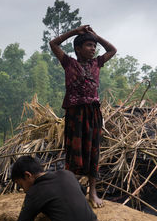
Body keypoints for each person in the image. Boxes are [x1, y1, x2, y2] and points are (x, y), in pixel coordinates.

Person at [49, 25, 117, 208]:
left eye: (94, 46)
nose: (93, 49)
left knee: (93, 150)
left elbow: (113, 50)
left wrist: (96, 36)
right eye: (89, 45)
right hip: (75, 113)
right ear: (78, 48)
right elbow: (53, 43)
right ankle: (70, 191)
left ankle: (92, 192)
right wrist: (73, 32)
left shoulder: (97, 63)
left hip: (93, 113)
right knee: (74, 152)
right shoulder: (69, 63)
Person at [10, 156, 104, 221]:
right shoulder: (66, 174)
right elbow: (81, 192)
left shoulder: (33, 193)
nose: (23, 190)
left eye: (21, 185)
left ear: (28, 175)